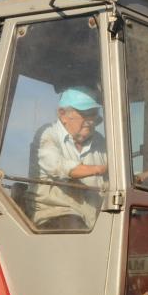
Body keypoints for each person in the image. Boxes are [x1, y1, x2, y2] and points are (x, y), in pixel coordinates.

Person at [30, 86, 108, 230]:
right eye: (85, 114)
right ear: (63, 114)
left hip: (94, 221)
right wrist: (99, 169)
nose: (90, 121)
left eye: (93, 115)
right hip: (55, 216)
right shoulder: (48, 135)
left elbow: (115, 177)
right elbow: (59, 167)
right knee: (75, 230)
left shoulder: (100, 142)